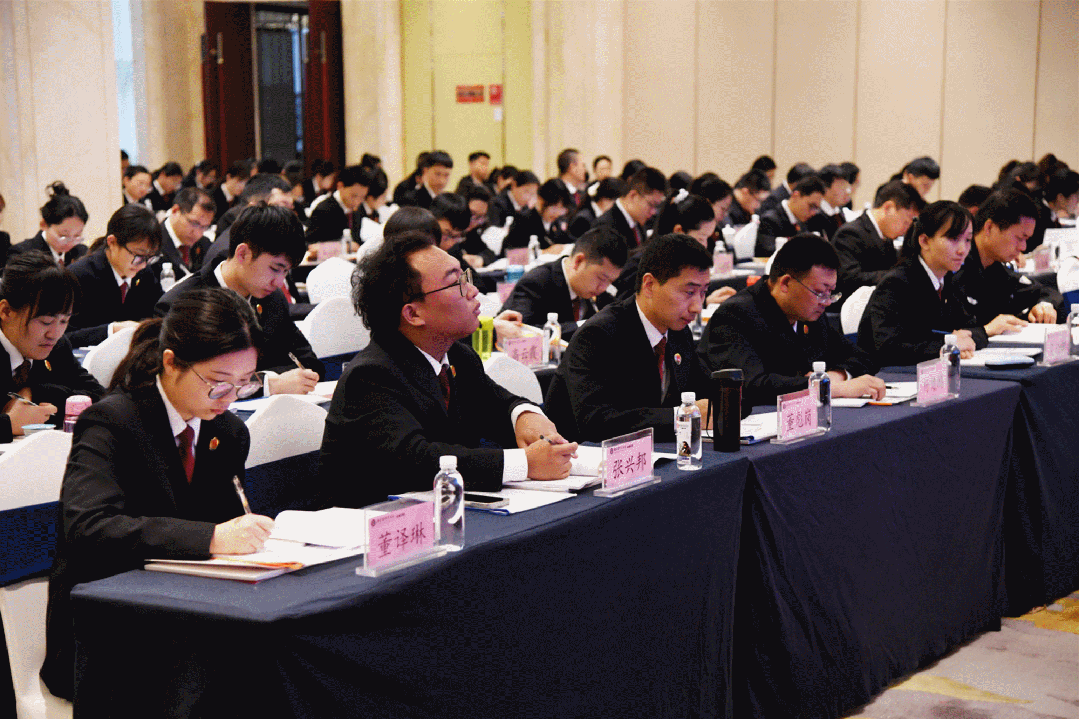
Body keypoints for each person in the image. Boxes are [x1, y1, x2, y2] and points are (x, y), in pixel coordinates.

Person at [41, 288, 274, 701]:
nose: (230, 398)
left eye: (244, 383)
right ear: (171, 362)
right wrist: (210, 538)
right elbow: (89, 528)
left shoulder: (228, 432)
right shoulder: (111, 422)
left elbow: (228, 533)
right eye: (217, 383)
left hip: (192, 610)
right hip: (108, 629)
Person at [319, 232, 578, 508]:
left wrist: (524, 415)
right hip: (375, 522)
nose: (473, 291)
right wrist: (524, 464)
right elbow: (419, 459)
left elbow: (498, 403)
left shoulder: (457, 355)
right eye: (456, 283)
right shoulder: (370, 377)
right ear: (413, 314)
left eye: (465, 276)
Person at [545, 233, 715, 442]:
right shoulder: (599, 336)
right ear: (649, 285)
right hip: (581, 455)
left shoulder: (678, 332)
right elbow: (597, 423)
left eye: (703, 293)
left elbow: (708, 390)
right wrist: (682, 416)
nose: (697, 306)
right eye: (689, 292)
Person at [698, 234, 883, 409]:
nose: (826, 302)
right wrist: (826, 388)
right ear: (786, 283)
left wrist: (837, 375)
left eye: (831, 292)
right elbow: (752, 386)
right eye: (820, 292)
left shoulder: (809, 312)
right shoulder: (735, 316)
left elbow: (863, 357)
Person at [156, 204, 324, 394]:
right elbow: (184, 384)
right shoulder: (182, 305)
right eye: (275, 269)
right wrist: (266, 384)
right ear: (243, 253)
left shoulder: (272, 299)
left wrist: (264, 381)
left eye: (286, 272)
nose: (278, 282)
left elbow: (309, 365)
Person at [857, 201, 991, 366]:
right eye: (953, 238)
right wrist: (948, 345)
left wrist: (962, 340)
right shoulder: (897, 284)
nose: (962, 250)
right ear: (925, 241)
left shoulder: (949, 280)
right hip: (885, 374)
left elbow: (976, 330)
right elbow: (889, 349)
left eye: (968, 240)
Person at [0, 251, 104, 443]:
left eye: (64, 321)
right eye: (45, 322)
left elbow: (98, 397)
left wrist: (36, 392)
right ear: (6, 311)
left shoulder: (56, 346)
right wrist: (8, 424)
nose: (54, 334)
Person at [953, 188, 1063, 325]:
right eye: (1019, 238)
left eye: (1026, 240)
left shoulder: (996, 269)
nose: (1023, 247)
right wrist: (985, 332)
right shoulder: (955, 266)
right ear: (989, 228)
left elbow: (1044, 292)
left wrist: (1044, 305)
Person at [500, 226, 627, 341]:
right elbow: (522, 330)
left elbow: (618, 315)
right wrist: (588, 326)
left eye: (610, 282)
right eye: (601, 278)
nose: (603, 288)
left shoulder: (594, 289)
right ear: (578, 261)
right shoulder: (536, 282)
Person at [66, 204, 163, 347]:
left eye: (150, 257)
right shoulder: (77, 276)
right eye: (138, 255)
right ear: (112, 242)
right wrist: (111, 330)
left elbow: (160, 311)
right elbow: (64, 337)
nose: (143, 264)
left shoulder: (144, 273)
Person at [614, 190, 735, 304]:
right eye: (701, 238)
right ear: (679, 231)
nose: (705, 246)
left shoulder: (685, 262)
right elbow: (628, 309)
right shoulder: (641, 264)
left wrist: (706, 301)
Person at [832, 180, 924, 300]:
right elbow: (848, 278)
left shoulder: (886, 236)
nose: (906, 229)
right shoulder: (850, 233)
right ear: (888, 207)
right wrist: (895, 276)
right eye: (906, 222)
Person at [9, 182, 90, 267]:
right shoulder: (22, 255)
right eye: (63, 235)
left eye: (77, 235)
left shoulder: (82, 253)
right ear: (44, 224)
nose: (70, 243)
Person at [592, 166, 668, 251]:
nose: (653, 211)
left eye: (656, 206)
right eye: (651, 204)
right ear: (633, 196)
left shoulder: (637, 222)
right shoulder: (605, 227)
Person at [755, 175, 826, 256]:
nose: (813, 213)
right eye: (811, 206)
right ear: (796, 196)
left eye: (816, 209)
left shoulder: (804, 222)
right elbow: (769, 254)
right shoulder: (770, 220)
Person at [304, 164, 371, 246]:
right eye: (354, 196)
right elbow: (308, 244)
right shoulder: (324, 209)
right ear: (340, 186)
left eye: (362, 197)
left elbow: (357, 239)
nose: (357, 202)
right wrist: (342, 247)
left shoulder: (359, 209)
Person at [157, 186, 216, 278]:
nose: (198, 233)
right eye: (194, 223)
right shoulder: (154, 243)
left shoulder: (205, 244)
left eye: (204, 227)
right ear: (175, 211)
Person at [503, 178, 573, 254]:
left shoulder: (556, 222)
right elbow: (511, 254)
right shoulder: (523, 219)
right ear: (540, 200)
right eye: (554, 207)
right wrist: (543, 252)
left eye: (562, 208)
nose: (557, 213)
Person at [805, 164, 851, 240]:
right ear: (825, 187)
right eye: (841, 187)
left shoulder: (839, 213)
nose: (846, 192)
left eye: (846, 186)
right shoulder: (814, 216)